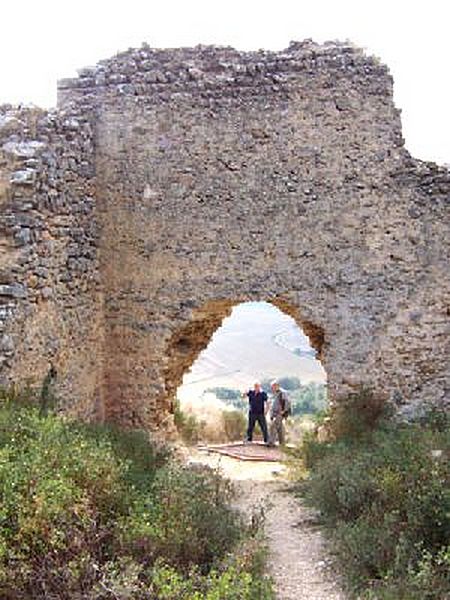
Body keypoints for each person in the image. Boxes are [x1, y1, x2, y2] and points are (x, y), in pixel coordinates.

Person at [268, 380, 290, 446]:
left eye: (273, 387)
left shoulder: (282, 393)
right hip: (276, 413)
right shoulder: (276, 393)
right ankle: (282, 443)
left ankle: (271, 442)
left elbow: (287, 402)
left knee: (273, 426)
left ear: (276, 386)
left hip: (279, 413)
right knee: (280, 428)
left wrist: (283, 411)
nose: (272, 388)